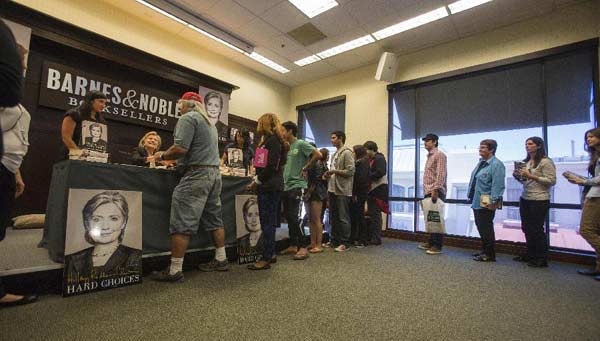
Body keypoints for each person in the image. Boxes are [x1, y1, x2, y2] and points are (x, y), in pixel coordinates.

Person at [149, 92, 228, 282]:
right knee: (214, 217)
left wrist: (160, 156)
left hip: (197, 175)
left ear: (186, 104)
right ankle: (221, 258)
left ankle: (175, 269)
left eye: (180, 104)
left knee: (182, 220)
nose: (179, 108)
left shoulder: (188, 118)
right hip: (214, 175)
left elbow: (180, 149)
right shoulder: (210, 124)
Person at [0, 20, 37, 308]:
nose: (21, 68)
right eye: (20, 61)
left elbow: (13, 141)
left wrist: (17, 174)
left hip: (8, 168)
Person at [65, 191, 141, 278]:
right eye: (96, 219)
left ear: (123, 222)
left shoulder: (135, 257)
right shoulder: (71, 260)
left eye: (113, 218)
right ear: (87, 223)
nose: (105, 227)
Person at [246, 113, 287, 270]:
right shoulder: (266, 141)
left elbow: (271, 166)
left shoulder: (273, 141)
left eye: (260, 122)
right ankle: (271, 253)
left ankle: (266, 257)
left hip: (270, 187)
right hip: (267, 185)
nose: (258, 124)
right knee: (267, 222)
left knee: (267, 223)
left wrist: (257, 181)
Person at [278, 121, 321, 260]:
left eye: (283, 130)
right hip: (286, 185)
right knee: (288, 216)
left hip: (297, 185)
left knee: (293, 216)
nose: (282, 133)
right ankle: (293, 244)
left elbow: (318, 154)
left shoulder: (301, 144)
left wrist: (306, 167)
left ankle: (303, 247)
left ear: (290, 131)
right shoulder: (287, 147)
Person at [512, 137, 556, 268]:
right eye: (526, 144)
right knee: (526, 228)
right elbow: (527, 182)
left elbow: (551, 181)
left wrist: (531, 175)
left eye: (530, 144)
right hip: (526, 197)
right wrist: (519, 177)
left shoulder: (545, 162)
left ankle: (541, 258)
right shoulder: (527, 162)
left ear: (538, 146)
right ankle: (531, 254)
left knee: (536, 229)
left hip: (540, 199)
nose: (527, 146)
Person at [564, 128, 600, 280]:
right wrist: (578, 178)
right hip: (593, 194)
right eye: (587, 137)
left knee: (586, 230)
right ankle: (598, 268)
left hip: (597, 197)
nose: (589, 139)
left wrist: (583, 181)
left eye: (592, 136)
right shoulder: (595, 156)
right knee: (596, 232)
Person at [468, 139, 506, 262]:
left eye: (483, 147)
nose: (480, 149)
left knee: (486, 228)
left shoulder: (496, 165)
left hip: (487, 201)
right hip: (476, 200)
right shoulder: (481, 163)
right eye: (480, 147)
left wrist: (493, 201)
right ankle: (484, 251)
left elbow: (498, 185)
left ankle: (490, 254)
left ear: (491, 150)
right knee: (481, 227)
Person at [325, 131, 354, 252]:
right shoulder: (334, 154)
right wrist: (328, 174)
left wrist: (335, 172)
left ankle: (345, 243)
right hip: (332, 189)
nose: (331, 140)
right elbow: (333, 170)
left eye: (334, 138)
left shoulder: (347, 153)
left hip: (342, 190)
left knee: (343, 217)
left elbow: (350, 171)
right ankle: (334, 240)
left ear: (340, 138)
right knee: (334, 216)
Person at [418, 134, 447, 255]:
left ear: (435, 142)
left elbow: (440, 174)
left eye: (428, 141)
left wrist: (435, 190)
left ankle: (437, 245)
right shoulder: (429, 156)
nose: (425, 143)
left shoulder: (439, 154)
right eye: (424, 141)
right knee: (430, 218)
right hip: (428, 191)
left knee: (436, 218)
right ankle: (430, 242)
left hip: (435, 191)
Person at [60, 90, 107, 160]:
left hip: (92, 160)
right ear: (91, 101)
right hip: (71, 158)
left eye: (105, 103)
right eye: (100, 101)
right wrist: (79, 155)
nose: (103, 105)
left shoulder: (101, 121)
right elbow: (66, 138)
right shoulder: (74, 114)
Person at [364, 141, 388, 246]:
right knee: (373, 214)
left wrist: (367, 177)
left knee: (376, 214)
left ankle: (376, 238)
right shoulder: (372, 159)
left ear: (372, 149)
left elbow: (380, 172)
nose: (365, 153)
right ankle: (374, 236)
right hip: (373, 190)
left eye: (366, 150)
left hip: (378, 190)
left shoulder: (379, 159)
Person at [304, 145, 328, 253]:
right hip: (310, 191)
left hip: (316, 192)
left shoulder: (317, 162)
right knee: (310, 219)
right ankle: (313, 242)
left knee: (316, 219)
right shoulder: (310, 161)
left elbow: (316, 180)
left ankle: (319, 245)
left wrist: (308, 192)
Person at [350, 145, 370, 248]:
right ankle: (357, 238)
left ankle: (362, 240)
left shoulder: (361, 163)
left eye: (353, 152)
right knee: (357, 215)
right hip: (361, 192)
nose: (352, 154)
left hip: (359, 192)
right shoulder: (364, 162)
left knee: (359, 216)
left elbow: (359, 180)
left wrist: (354, 193)